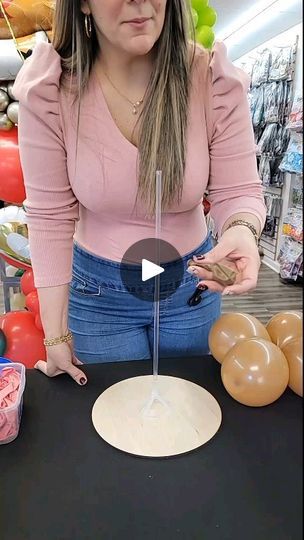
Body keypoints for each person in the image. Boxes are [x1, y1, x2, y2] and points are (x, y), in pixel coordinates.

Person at [12, 0, 266, 386]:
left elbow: (239, 189)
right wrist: (56, 334)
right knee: (117, 427)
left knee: (188, 418)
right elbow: (50, 215)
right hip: (99, 298)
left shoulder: (209, 78)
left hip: (192, 286)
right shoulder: (53, 89)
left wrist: (242, 229)